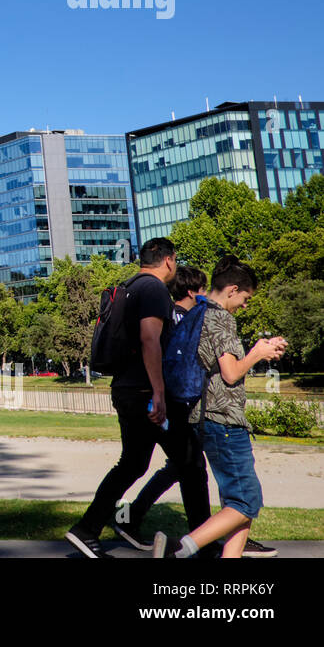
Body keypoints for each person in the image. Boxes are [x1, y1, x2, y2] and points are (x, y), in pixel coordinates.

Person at [154, 257, 286, 558]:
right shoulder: (221, 318)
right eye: (245, 298)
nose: (245, 305)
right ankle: (179, 549)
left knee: (236, 503)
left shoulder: (196, 313)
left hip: (203, 419)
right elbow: (231, 372)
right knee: (246, 501)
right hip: (223, 420)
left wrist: (261, 352)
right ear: (233, 290)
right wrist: (257, 353)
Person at [65, 237, 183, 558]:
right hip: (145, 391)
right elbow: (150, 339)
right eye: (175, 261)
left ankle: (89, 529)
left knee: (133, 464)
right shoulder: (154, 290)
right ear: (168, 260)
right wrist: (159, 392)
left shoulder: (130, 286)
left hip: (126, 388)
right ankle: (205, 544)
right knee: (188, 461)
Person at [112, 266, 212, 550]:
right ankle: (203, 538)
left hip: (158, 398)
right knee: (187, 465)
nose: (204, 295)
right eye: (202, 290)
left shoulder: (167, 313)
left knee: (165, 465)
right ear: (193, 291)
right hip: (171, 401)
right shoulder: (187, 320)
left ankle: (127, 518)